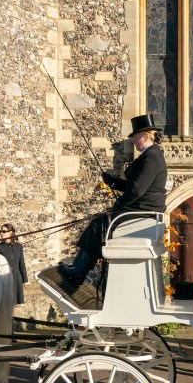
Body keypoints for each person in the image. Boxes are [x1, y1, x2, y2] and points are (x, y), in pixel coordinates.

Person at [58, 114, 168, 287]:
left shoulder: (152, 157)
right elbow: (136, 184)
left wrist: (120, 204)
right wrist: (114, 182)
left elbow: (137, 190)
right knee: (100, 224)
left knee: (97, 225)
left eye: (135, 137)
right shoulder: (151, 155)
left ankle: (78, 272)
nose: (133, 141)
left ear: (145, 136)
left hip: (142, 209)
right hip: (141, 208)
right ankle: (78, 270)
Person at [0, 223, 28, 304]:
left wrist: (25, 280)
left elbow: (21, 263)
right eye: (0, 231)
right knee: (6, 302)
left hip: (16, 277)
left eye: (4, 231)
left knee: (15, 303)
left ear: (10, 232)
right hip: (5, 277)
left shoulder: (18, 246)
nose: (1, 233)